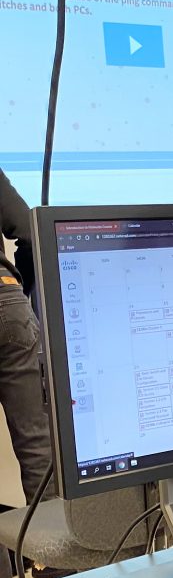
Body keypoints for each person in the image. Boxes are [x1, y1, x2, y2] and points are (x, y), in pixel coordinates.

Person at [0, 169, 52, 509]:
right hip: (8, 303)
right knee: (37, 447)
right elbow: (30, 230)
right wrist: (25, 291)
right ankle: (58, 559)